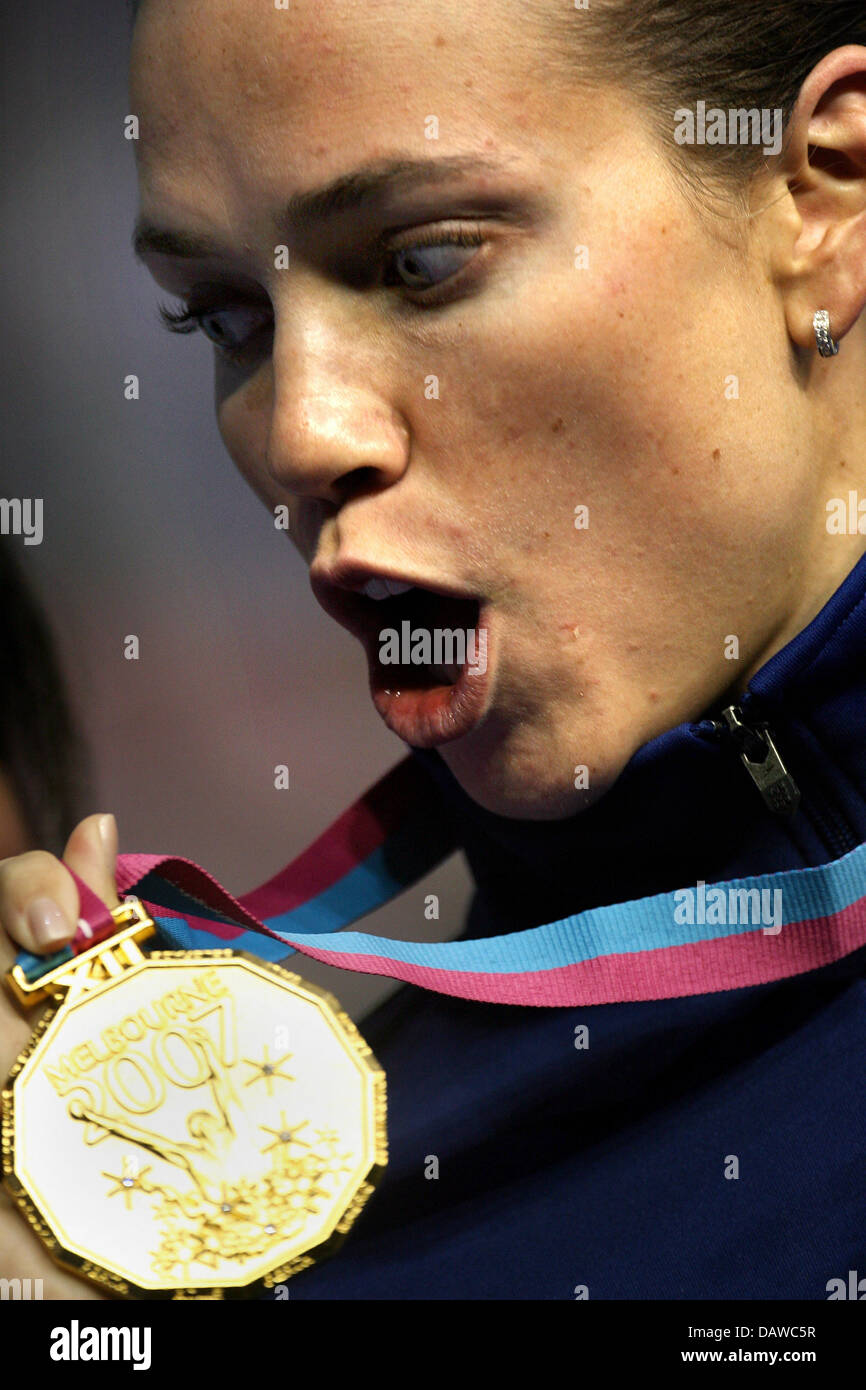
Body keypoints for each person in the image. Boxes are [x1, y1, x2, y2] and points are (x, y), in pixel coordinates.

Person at [1, 0, 865, 1299]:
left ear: (824, 196)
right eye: (225, 318)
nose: (299, 436)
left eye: (421, 262)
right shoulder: (281, 1193)